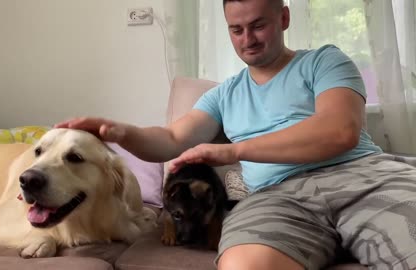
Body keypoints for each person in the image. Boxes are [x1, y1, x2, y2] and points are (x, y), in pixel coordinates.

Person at [55, 0, 416, 269]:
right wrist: (120, 132)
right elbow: (170, 138)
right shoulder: (224, 94)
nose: (248, 39)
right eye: (236, 29)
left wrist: (234, 151)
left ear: (284, 18)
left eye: (259, 25)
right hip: (277, 198)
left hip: (365, 177)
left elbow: (340, 131)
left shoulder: (324, 61)